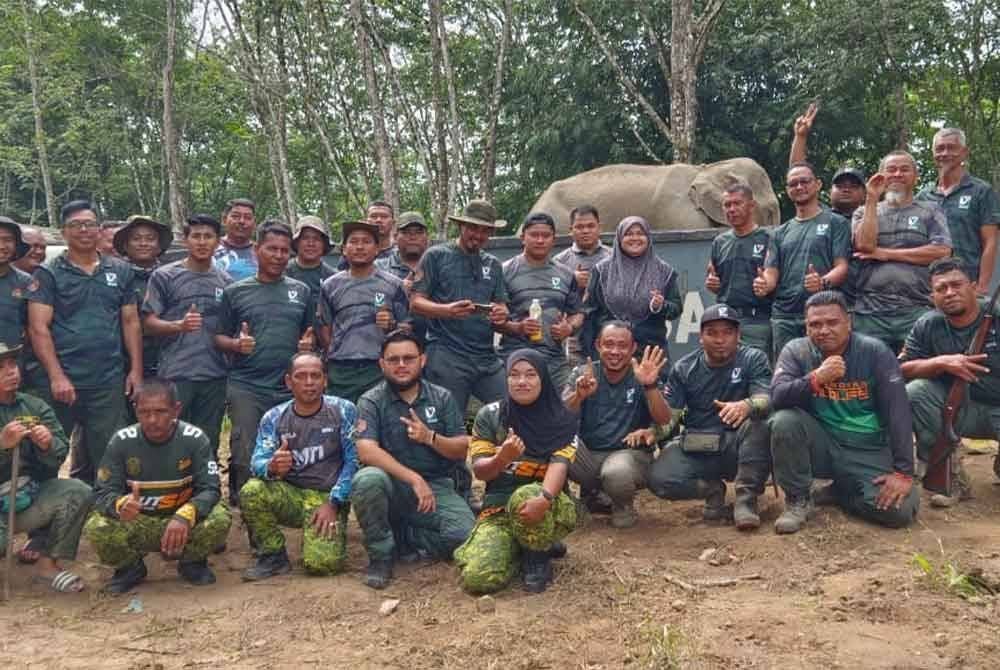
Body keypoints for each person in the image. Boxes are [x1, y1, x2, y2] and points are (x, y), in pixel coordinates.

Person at [769, 291, 918, 534]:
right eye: (815, 324)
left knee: (898, 512)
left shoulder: (875, 352)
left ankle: (842, 493)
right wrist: (815, 379)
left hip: (868, 447)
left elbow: (898, 412)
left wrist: (903, 472)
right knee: (784, 420)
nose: (823, 330)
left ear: (848, 323)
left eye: (832, 322)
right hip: (823, 444)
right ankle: (798, 499)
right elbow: (777, 397)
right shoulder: (796, 351)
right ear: (806, 327)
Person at [27, 200, 142, 484]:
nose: (84, 230)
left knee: (111, 452)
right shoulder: (49, 274)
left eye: (89, 224)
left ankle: (107, 514)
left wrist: (136, 371)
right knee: (48, 449)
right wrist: (56, 376)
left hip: (107, 380)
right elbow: (38, 328)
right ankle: (43, 520)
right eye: (76, 225)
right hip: (62, 381)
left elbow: (131, 322)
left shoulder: (120, 271)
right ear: (64, 232)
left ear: (100, 230)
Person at [351, 330, 475, 589]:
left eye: (408, 358)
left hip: (437, 487)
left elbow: (462, 448)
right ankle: (381, 555)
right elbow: (366, 450)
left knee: (464, 537)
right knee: (367, 479)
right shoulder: (371, 401)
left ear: (423, 360)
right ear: (382, 364)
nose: (401, 365)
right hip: (392, 486)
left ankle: (406, 536)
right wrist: (413, 478)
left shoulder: (441, 397)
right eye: (393, 359)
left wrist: (430, 437)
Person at [85, 378, 231, 594]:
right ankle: (129, 568)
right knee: (96, 526)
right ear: (135, 410)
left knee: (220, 518)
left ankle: (192, 562)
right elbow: (101, 493)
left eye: (161, 411)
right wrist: (120, 505)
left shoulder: (195, 439)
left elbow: (211, 489)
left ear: (176, 410)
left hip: (181, 522)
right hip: (139, 521)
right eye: (144, 412)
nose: (152, 420)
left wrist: (186, 514)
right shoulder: (121, 441)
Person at [455, 349, 578, 594]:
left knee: (525, 495)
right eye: (514, 375)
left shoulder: (563, 418)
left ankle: (538, 555)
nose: (522, 381)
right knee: (478, 580)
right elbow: (481, 472)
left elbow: (559, 466)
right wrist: (502, 458)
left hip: (547, 504)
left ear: (543, 378)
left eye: (530, 375)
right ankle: (517, 546)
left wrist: (544, 499)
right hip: (498, 508)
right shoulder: (490, 416)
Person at [214, 220, 316, 504]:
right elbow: (218, 337)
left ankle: (288, 505)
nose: (278, 255)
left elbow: (310, 336)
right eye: (272, 248)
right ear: (257, 250)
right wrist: (236, 344)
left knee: (292, 449)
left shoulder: (301, 291)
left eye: (285, 250)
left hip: (288, 387)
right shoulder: (235, 292)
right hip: (246, 385)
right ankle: (250, 510)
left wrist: (308, 346)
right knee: (246, 452)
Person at [647, 305, 773, 530]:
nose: (720, 339)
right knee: (660, 479)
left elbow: (766, 398)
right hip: (699, 444)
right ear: (700, 337)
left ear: (738, 335)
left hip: (739, 444)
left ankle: (746, 502)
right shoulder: (684, 368)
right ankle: (712, 490)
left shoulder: (754, 358)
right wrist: (653, 432)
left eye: (727, 332)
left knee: (760, 425)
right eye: (712, 333)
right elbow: (670, 419)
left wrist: (746, 405)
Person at [240, 352, 358, 580]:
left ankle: (318, 536)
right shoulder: (274, 417)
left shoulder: (344, 410)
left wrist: (334, 502)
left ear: (325, 380)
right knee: (251, 490)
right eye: (301, 376)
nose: (309, 382)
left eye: (315, 375)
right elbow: (257, 462)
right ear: (288, 381)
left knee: (322, 565)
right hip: (291, 494)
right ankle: (272, 555)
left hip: (326, 497)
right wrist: (273, 466)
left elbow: (354, 461)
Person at [899, 258, 1000, 506]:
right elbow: (900, 368)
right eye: (941, 288)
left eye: (956, 285)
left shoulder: (996, 316)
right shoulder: (928, 324)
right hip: (958, 410)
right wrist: (941, 363)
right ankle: (951, 478)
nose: (950, 293)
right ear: (932, 296)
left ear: (974, 287)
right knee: (915, 391)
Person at [0, 342, 91, 593]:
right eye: (1, 367)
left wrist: (47, 445)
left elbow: (59, 454)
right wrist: (2, 445)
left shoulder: (34, 405)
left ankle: (47, 565)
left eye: (12, 364)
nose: (11, 371)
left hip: (24, 498)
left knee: (77, 491)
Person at [142, 215, 232, 461]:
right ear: (186, 240)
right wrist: (177, 325)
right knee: (170, 436)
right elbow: (147, 322)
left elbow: (229, 329)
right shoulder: (165, 276)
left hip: (214, 374)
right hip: (176, 373)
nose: (202, 242)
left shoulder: (226, 282)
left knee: (208, 439)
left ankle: (205, 492)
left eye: (208, 236)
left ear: (218, 242)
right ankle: (169, 491)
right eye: (196, 236)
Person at [564, 322, 669, 528]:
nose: (615, 351)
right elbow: (560, 415)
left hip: (629, 456)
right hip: (589, 456)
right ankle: (570, 501)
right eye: (608, 344)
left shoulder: (641, 373)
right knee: (552, 444)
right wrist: (579, 396)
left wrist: (649, 386)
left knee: (615, 473)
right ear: (597, 345)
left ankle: (622, 505)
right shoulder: (583, 373)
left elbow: (664, 419)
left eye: (622, 346)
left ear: (632, 348)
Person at [411, 199, 510, 414]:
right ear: (460, 226)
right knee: (449, 420)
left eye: (485, 230)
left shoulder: (493, 264)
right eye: (473, 228)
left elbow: (501, 302)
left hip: (486, 357)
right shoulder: (436, 256)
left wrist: (502, 312)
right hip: (447, 353)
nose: (479, 235)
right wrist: (447, 311)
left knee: (513, 407)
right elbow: (416, 302)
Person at [851, 151, 951, 353]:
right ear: (880, 176)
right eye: (891, 169)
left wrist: (886, 254)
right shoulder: (864, 211)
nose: (897, 174)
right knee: (870, 379)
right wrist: (871, 198)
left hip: (917, 309)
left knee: (917, 372)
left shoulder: (930, 210)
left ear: (915, 177)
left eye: (904, 170)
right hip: (870, 312)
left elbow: (942, 252)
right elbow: (864, 245)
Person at [755, 162, 850, 359]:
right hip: (785, 316)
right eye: (793, 184)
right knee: (787, 374)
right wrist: (764, 283)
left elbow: (842, 267)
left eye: (804, 181)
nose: (799, 187)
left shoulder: (836, 222)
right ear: (787, 190)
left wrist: (822, 281)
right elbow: (771, 272)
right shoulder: (780, 232)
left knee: (829, 371)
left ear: (818, 184)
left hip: (823, 315)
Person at [317, 221, 409, 403]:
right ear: (344, 249)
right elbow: (324, 327)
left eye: (366, 241)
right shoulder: (330, 285)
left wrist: (391, 325)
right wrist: (336, 354)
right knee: (342, 424)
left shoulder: (393, 284)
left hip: (380, 368)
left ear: (376, 249)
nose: (359, 247)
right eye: (354, 241)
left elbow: (407, 327)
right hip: (341, 371)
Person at [498, 212, 583, 387]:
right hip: (515, 358)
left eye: (546, 236)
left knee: (568, 406)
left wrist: (569, 327)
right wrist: (518, 327)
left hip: (554, 359)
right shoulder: (504, 272)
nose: (540, 240)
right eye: (534, 235)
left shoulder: (566, 274)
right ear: (523, 238)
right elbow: (493, 319)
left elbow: (578, 313)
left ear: (553, 239)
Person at [584, 216, 681, 365]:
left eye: (640, 233)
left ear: (648, 237)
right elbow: (590, 312)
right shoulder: (602, 270)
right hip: (611, 352)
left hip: (650, 352)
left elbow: (676, 308)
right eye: (628, 234)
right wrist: (590, 352)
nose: (635, 238)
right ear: (619, 237)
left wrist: (661, 306)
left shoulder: (664, 271)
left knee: (654, 388)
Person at [917, 128, 1000, 292]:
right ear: (933, 153)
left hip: (969, 282)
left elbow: (990, 241)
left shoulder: (981, 191)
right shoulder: (923, 196)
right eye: (940, 148)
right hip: (930, 284)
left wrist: (983, 286)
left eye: (951, 147)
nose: (945, 153)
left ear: (964, 152)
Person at [705, 183, 773, 355]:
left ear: (751, 206)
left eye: (737, 203)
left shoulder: (769, 238)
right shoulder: (719, 242)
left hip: (758, 321)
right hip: (726, 320)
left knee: (757, 374)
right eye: (727, 205)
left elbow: (775, 277)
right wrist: (712, 284)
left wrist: (766, 284)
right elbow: (714, 279)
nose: (732, 209)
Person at [114, 215, 174, 379]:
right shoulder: (114, 278)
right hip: (125, 364)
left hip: (170, 362)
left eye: (150, 239)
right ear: (125, 245)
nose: (143, 243)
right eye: (136, 239)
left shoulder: (172, 277)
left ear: (159, 246)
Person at [553, 205, 611, 367]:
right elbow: (553, 300)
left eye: (590, 226)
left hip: (609, 337)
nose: (585, 231)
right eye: (579, 227)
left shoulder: (614, 257)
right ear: (571, 230)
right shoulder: (559, 262)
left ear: (599, 227)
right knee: (578, 385)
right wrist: (571, 280)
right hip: (575, 341)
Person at [375, 211, 430, 342]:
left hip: (433, 344)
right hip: (391, 343)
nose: (413, 237)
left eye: (418, 232)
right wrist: (397, 289)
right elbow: (376, 301)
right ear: (395, 237)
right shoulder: (379, 267)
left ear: (427, 237)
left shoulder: (439, 266)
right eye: (406, 233)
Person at [337, 201, 397, 270]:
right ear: (366, 221)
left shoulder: (400, 253)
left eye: (384, 216)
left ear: (393, 223)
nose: (378, 220)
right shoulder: (354, 251)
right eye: (373, 216)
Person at [0, 217, 31, 348]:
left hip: (13, 362)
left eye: (8, 240)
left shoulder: (26, 282)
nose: (1, 246)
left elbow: (34, 327)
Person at [286, 215, 336, 297]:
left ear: (324, 244)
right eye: (305, 238)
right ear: (296, 243)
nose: (311, 244)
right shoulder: (283, 273)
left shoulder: (333, 278)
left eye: (316, 239)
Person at [213, 198, 257, 281]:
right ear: (224, 220)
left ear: (254, 223)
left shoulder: (261, 252)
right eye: (235, 216)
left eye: (248, 218)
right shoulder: (210, 248)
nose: (242, 221)